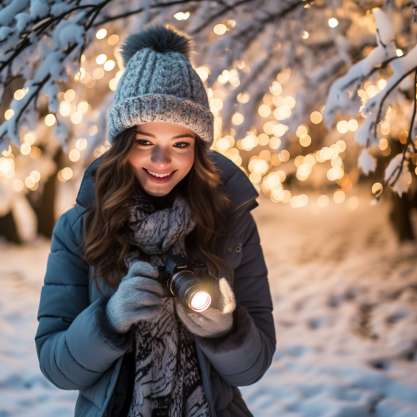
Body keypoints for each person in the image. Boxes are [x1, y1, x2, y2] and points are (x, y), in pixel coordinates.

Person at [34, 24, 276, 417]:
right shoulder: (80, 228)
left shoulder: (230, 223)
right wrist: (109, 319)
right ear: (122, 144)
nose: (161, 163)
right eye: (145, 142)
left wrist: (224, 331)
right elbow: (56, 367)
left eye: (180, 145)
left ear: (197, 149)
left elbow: (255, 365)